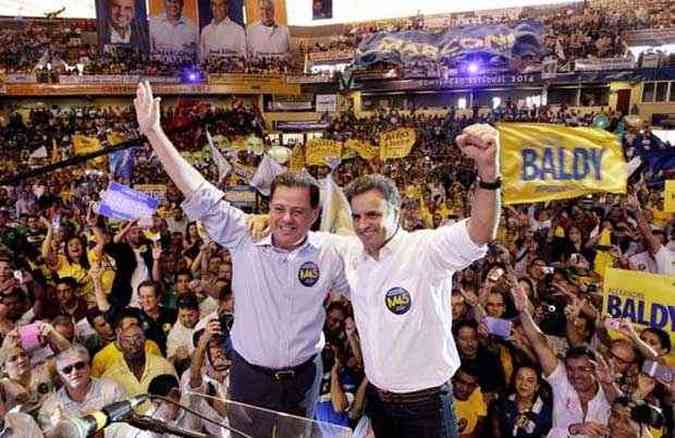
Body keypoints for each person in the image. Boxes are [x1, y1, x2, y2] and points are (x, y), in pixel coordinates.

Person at [134, 82, 351, 435]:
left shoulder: (331, 251)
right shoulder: (244, 235)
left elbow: (372, 282)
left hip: (304, 377)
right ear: (268, 207)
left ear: (314, 214)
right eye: (279, 208)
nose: (286, 219)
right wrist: (154, 131)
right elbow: (200, 192)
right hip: (250, 377)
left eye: (297, 211)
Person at [338, 123, 500, 438]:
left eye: (373, 215)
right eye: (356, 217)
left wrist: (488, 171)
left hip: (425, 406)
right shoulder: (352, 255)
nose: (363, 225)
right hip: (379, 401)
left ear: (396, 212)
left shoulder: (425, 249)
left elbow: (481, 230)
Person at [38, 344, 128, 437]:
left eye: (79, 365)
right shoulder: (49, 407)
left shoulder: (112, 389)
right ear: (60, 377)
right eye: (67, 370)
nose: (74, 372)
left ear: (89, 367)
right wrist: (58, 429)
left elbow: (126, 426)